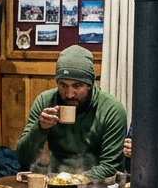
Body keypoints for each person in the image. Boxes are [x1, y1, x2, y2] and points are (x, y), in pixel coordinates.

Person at [15, 45, 127, 179]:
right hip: (54, 182)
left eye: (77, 86)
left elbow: (110, 167)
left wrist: (69, 181)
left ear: (90, 85)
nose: (69, 94)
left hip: (97, 186)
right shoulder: (46, 101)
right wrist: (40, 129)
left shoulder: (111, 109)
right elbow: (23, 158)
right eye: (63, 85)